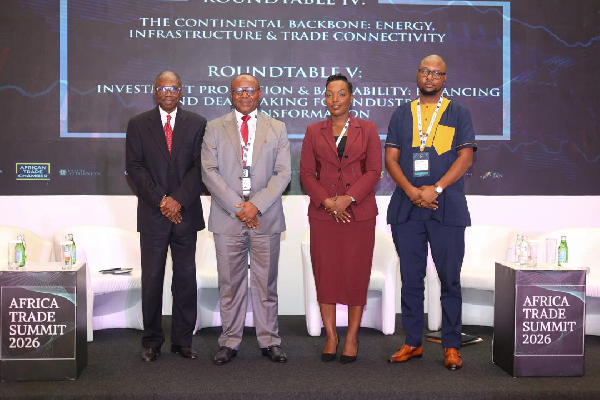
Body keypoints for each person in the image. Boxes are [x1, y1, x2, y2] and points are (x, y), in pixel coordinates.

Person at [385, 55, 477, 370]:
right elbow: (391, 158)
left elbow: (465, 158)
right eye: (425, 71)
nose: (430, 77)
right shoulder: (402, 113)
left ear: (444, 79)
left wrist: (434, 189)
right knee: (411, 279)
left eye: (437, 73)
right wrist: (412, 192)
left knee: (450, 280)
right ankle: (412, 342)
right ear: (417, 74)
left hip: (446, 207)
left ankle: (451, 346)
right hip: (407, 208)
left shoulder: (458, 112)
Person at [201, 73, 291, 365]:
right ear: (231, 95)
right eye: (238, 90)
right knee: (230, 284)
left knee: (266, 284)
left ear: (259, 93)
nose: (244, 95)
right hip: (227, 217)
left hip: (266, 217)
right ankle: (229, 341)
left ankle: (270, 340)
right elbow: (209, 172)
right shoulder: (214, 127)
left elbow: (283, 173)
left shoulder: (277, 127)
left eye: (250, 90)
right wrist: (240, 208)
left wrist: (257, 206)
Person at [300, 73, 382, 364]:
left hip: (359, 215)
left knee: (356, 274)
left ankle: (352, 336)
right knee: (326, 274)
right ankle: (331, 336)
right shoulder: (313, 130)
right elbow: (306, 173)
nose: (335, 99)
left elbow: (374, 171)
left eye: (341, 94)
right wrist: (327, 202)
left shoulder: (368, 129)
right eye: (329, 94)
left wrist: (349, 198)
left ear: (351, 97)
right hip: (324, 215)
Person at [126, 71, 207, 362]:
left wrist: (177, 201)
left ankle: (183, 341)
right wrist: (162, 200)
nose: (168, 92)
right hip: (153, 214)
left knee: (185, 278)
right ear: (155, 91)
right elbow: (135, 167)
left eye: (173, 88)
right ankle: (152, 341)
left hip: (185, 213)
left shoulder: (197, 123)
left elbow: (200, 167)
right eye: (163, 88)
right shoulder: (138, 124)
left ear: (181, 91)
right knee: (152, 278)